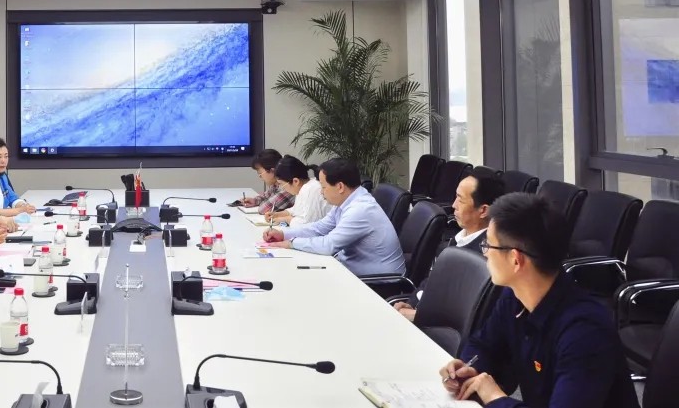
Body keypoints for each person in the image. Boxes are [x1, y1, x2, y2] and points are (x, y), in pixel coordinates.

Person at [440, 193, 637, 408]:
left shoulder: (584, 332)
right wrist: (470, 368)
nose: (485, 253)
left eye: (488, 245)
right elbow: (484, 344)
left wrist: (495, 397)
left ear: (516, 260)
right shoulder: (514, 297)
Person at [394, 166, 505, 322]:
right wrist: (411, 303)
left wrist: (417, 315)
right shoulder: (458, 239)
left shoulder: (484, 257)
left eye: (460, 200)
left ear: (483, 210)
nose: (453, 205)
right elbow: (432, 282)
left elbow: (462, 314)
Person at [262, 158, 404, 276]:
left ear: (340, 187)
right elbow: (319, 228)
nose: (321, 193)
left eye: (324, 187)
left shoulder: (360, 210)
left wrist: (292, 243)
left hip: (379, 282)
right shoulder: (346, 201)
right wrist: (283, 234)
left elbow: (329, 245)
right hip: (352, 270)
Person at [263, 155, 332, 227]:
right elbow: (297, 209)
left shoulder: (311, 190)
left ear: (295, 181)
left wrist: (286, 219)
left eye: (281, 184)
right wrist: (278, 214)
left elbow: (307, 225)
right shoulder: (304, 187)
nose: (282, 188)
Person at [238, 149, 295, 213]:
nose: (259, 177)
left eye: (260, 173)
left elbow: (263, 209)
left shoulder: (288, 187)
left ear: (272, 171)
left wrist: (263, 202)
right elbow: (265, 196)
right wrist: (254, 201)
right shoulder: (276, 184)